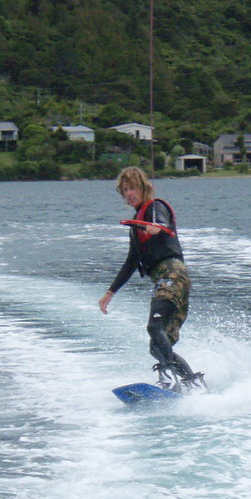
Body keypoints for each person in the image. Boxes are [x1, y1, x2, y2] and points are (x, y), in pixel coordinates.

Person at [99, 167, 203, 391]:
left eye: (133, 188)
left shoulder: (155, 207)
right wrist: (110, 293)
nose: (129, 193)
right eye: (125, 190)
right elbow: (130, 262)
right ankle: (193, 383)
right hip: (164, 280)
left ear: (143, 188)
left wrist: (157, 228)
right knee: (157, 344)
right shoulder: (136, 226)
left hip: (173, 274)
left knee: (154, 327)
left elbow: (162, 224)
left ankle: (169, 378)